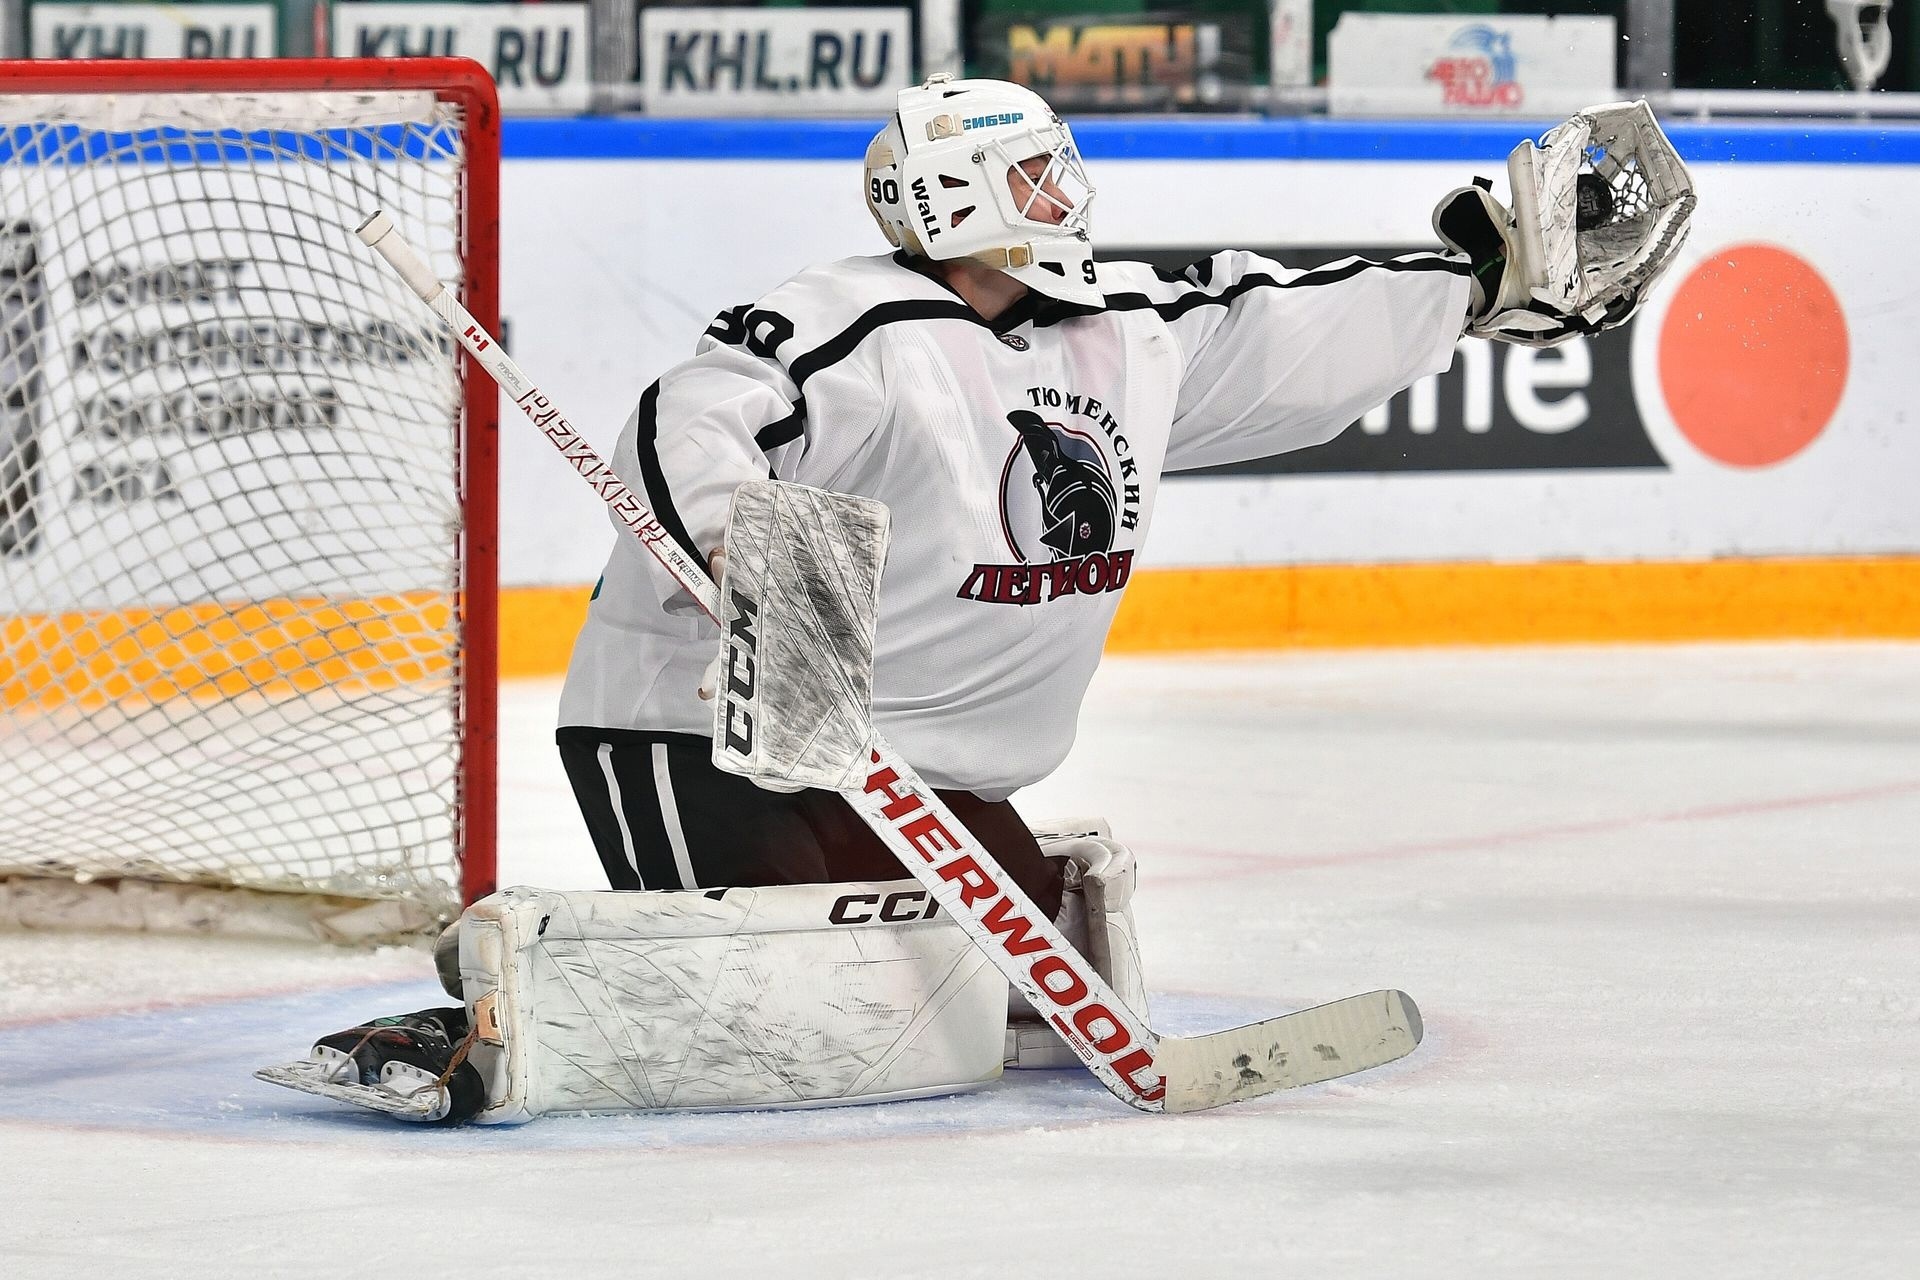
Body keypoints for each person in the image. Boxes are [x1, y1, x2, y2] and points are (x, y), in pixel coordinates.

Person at [292, 76, 1676, 1118]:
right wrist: (745, 559)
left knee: (991, 1016)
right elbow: (695, 414)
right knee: (796, 1025)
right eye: (1033, 168)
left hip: (925, 764)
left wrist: (1486, 271)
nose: (1063, 185)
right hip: (709, 726)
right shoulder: (849, 321)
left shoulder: (1124, 334)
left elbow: (1283, 327)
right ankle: (474, 1020)